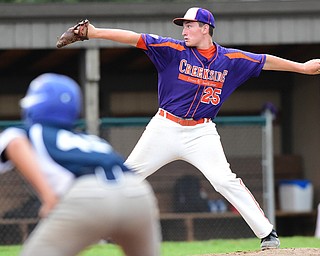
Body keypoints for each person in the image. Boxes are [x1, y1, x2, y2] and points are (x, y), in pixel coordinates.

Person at [63, 7, 320, 250]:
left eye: (189, 25)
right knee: (127, 176)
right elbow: (134, 38)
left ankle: (267, 233)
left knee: (224, 180)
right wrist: (94, 32)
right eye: (183, 25)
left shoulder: (229, 59)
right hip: (164, 127)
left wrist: (301, 67)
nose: (184, 30)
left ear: (205, 28)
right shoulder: (171, 50)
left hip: (201, 132)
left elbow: (265, 61)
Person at [0, 73, 161, 256]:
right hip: (137, 194)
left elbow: (15, 143)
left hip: (89, 195)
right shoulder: (88, 139)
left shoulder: (30, 131)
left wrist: (48, 197)